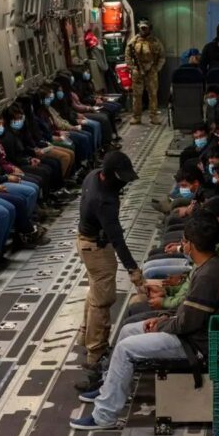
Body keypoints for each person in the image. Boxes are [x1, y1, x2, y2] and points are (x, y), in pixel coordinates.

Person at [71, 215, 219, 430]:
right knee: (128, 330)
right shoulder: (208, 265)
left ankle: (104, 416)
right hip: (187, 330)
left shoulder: (208, 275)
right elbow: (186, 313)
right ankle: (110, 390)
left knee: (126, 349)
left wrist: (161, 324)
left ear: (190, 244)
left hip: (194, 343)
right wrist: (163, 318)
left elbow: (186, 324)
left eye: (184, 241)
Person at [77, 151, 146, 369]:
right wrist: (133, 269)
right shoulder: (103, 201)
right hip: (96, 248)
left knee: (95, 291)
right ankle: (96, 354)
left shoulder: (94, 175)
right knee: (102, 300)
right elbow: (117, 239)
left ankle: (85, 336)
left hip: (87, 242)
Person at [124, 19, 165, 125]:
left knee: (153, 94)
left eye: (145, 28)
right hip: (137, 71)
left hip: (151, 71)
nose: (143, 30)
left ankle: (154, 116)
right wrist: (132, 67)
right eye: (142, 28)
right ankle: (136, 116)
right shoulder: (134, 41)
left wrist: (157, 68)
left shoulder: (155, 41)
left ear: (149, 28)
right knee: (137, 95)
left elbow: (162, 56)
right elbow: (127, 55)